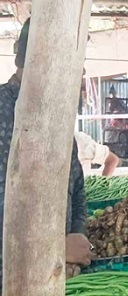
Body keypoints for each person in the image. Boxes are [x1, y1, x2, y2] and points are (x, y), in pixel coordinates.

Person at [0, 19, 93, 279]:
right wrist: (54, 249)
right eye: (75, 63)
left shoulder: (56, 119)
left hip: (52, 282)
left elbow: (77, 191)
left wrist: (76, 236)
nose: (82, 73)